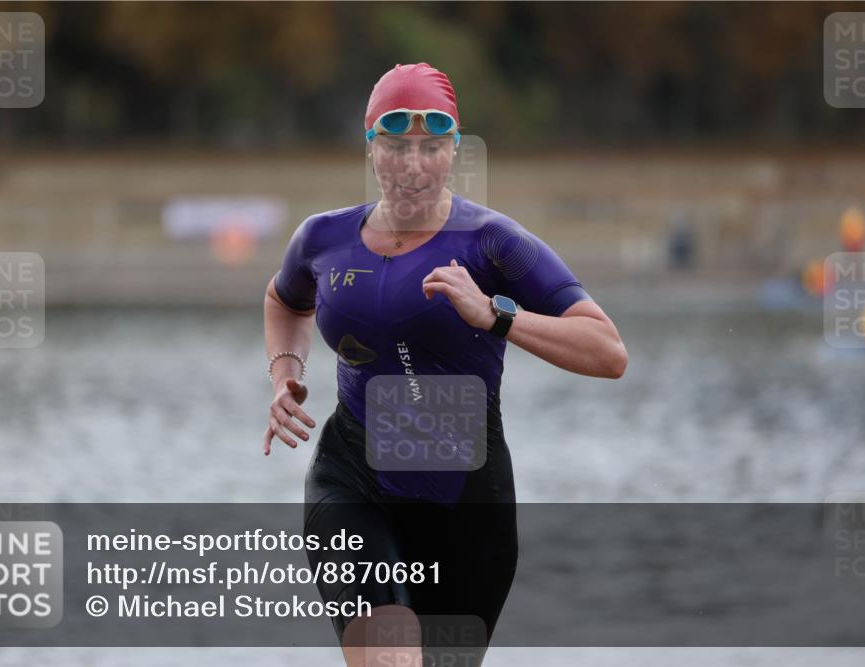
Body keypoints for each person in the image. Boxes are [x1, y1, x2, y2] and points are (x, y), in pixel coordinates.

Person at [263, 63, 627, 667]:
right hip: (352, 478)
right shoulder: (322, 239)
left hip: (467, 500)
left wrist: (495, 316)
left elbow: (608, 351)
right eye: (396, 146)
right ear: (370, 148)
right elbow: (284, 300)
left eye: (432, 147)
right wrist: (285, 374)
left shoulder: (493, 243)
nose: (412, 165)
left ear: (454, 149)